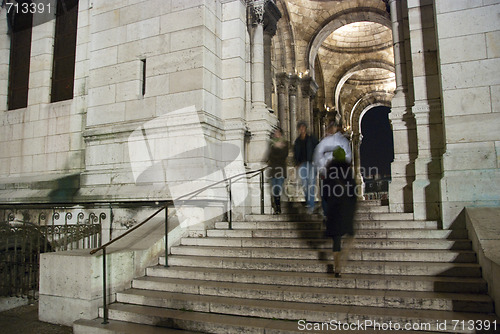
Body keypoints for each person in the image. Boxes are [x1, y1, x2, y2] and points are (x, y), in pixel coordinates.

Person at [323, 147, 357, 277]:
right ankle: (343, 256)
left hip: (334, 208)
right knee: (350, 234)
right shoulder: (348, 171)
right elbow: (353, 190)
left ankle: (337, 267)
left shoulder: (330, 171)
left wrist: (329, 204)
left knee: (336, 239)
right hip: (346, 207)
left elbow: (325, 192)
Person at [313, 121, 352, 218]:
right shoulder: (324, 141)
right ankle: (328, 214)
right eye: (330, 127)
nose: (331, 129)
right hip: (327, 172)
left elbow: (348, 156)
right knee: (326, 194)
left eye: (334, 127)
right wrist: (322, 168)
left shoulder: (343, 141)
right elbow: (318, 155)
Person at [293, 121, 319, 214]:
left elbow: (318, 149)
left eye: (303, 127)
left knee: (311, 184)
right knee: (304, 184)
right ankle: (308, 201)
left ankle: (310, 204)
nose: (302, 129)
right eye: (300, 127)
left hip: (311, 164)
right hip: (302, 165)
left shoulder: (311, 139)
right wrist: (296, 163)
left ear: (305, 128)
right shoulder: (297, 141)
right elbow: (296, 153)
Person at [267, 127, 289, 214]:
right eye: (275, 133)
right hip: (273, 170)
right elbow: (270, 156)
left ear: (280, 133)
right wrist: (277, 147)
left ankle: (278, 206)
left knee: (278, 188)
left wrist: (278, 148)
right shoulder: (272, 144)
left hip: (281, 170)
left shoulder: (285, 144)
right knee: (274, 189)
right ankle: (277, 207)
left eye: (277, 132)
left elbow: (284, 156)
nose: (276, 134)